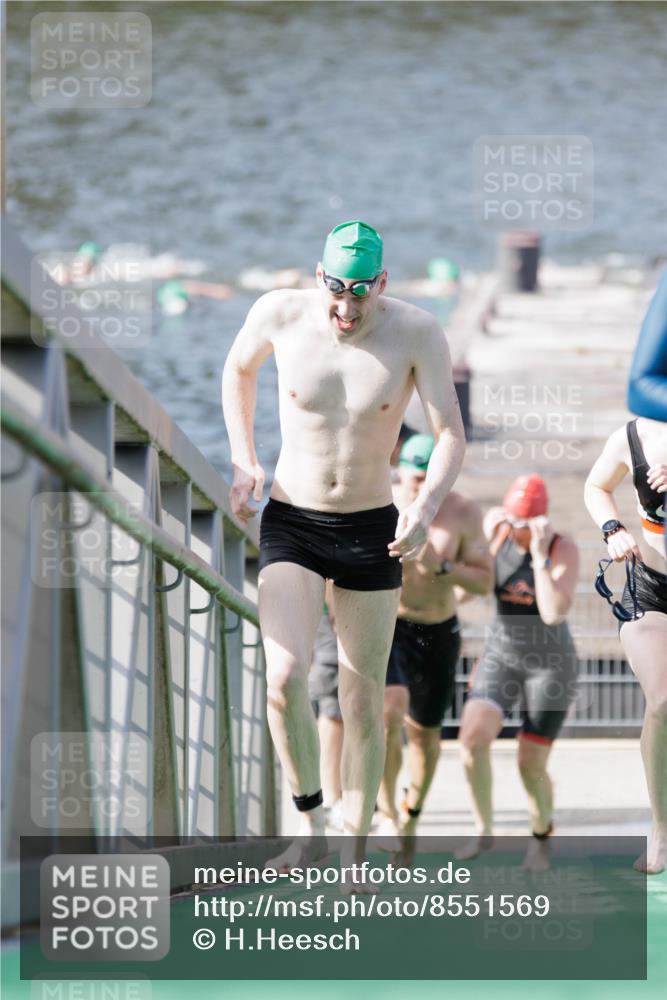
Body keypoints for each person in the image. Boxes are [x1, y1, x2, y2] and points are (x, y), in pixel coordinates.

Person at [221, 221, 465, 885]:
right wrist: (244, 460)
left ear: (382, 284)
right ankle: (310, 827)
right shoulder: (279, 312)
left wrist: (423, 507)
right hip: (293, 523)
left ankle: (354, 849)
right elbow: (237, 371)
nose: (345, 309)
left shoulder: (415, 332)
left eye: (360, 294)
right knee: (282, 679)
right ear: (317, 276)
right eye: (335, 291)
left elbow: (449, 434)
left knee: (361, 700)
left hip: (371, 530)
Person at [376, 433, 494, 862]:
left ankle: (411, 814)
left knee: (425, 736)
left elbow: (484, 580)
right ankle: (387, 813)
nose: (421, 488)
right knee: (389, 712)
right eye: (416, 479)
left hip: (437, 629)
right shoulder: (381, 500)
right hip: (389, 624)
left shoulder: (462, 511)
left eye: (431, 481)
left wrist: (440, 565)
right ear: (400, 471)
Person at [455, 474, 580, 872]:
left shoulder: (562, 548)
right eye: (514, 521)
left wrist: (540, 555)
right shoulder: (498, 542)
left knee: (531, 763)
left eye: (526, 524)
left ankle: (541, 836)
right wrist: (487, 544)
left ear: (542, 521)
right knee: (471, 739)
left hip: (550, 666)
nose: (518, 532)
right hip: (502, 656)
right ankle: (483, 827)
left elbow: (552, 611)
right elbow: (463, 595)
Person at [584, 417, 667, 874]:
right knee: (662, 700)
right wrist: (613, 528)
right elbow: (596, 486)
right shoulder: (633, 436)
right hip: (651, 592)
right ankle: (661, 827)